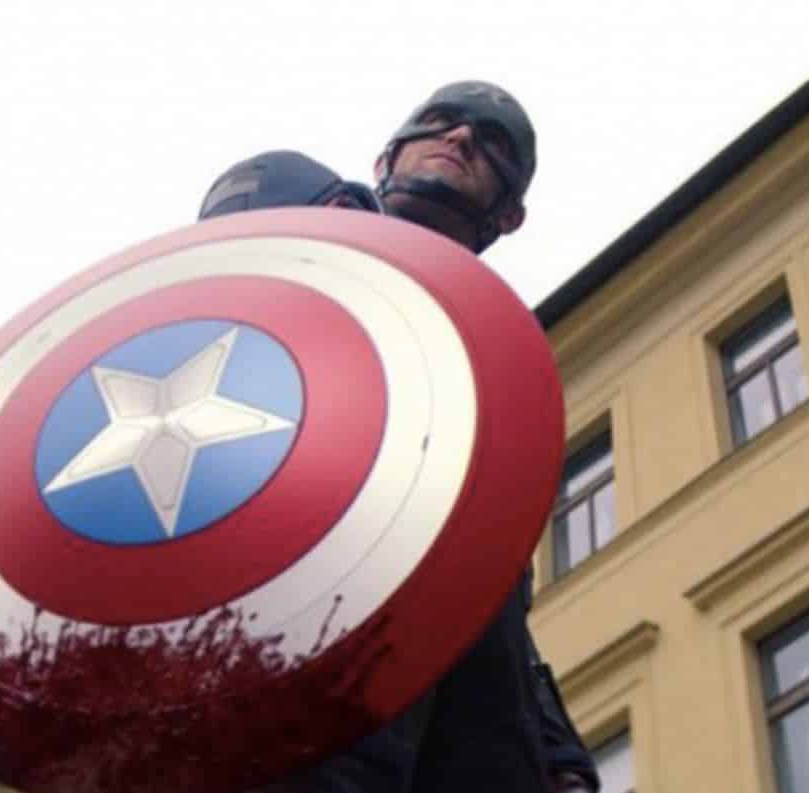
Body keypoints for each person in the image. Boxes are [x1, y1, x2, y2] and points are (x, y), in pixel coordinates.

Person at [198, 82, 599, 793]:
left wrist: (552, 753)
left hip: (426, 706)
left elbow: (485, 606)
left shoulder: (486, 368)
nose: (462, 138)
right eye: (441, 122)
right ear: (386, 157)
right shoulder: (293, 197)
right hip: (268, 638)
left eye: (492, 143)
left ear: (510, 213)